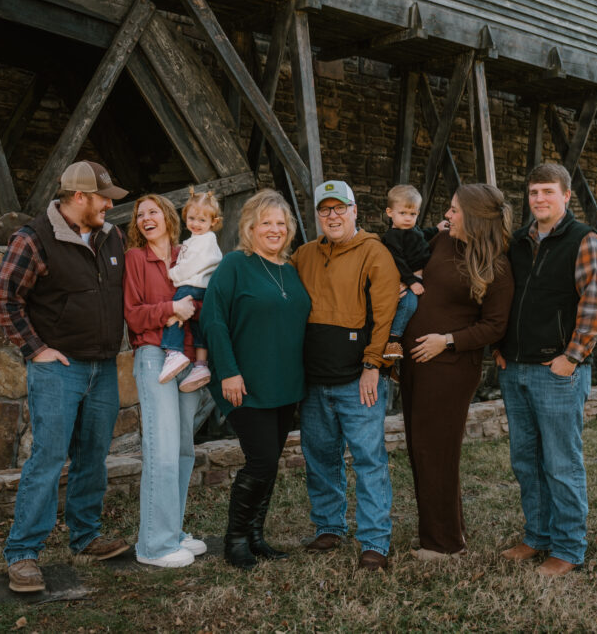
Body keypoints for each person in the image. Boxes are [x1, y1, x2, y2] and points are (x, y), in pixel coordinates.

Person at [0, 160, 131, 593]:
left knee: (93, 455)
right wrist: (37, 350)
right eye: (103, 197)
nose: (110, 204)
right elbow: (4, 300)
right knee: (49, 458)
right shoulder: (34, 240)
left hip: (104, 366)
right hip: (60, 369)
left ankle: (86, 536)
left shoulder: (112, 236)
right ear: (79, 198)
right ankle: (23, 554)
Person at [494, 162, 597, 577]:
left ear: (566, 195)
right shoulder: (519, 242)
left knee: (561, 463)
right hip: (515, 368)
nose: (539, 199)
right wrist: (499, 346)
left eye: (547, 191)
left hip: (557, 371)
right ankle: (537, 536)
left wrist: (572, 356)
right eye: (533, 193)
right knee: (525, 459)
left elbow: (595, 304)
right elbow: (504, 297)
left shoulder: (583, 239)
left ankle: (567, 548)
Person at [399, 184, 514, 560]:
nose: (447, 215)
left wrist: (446, 340)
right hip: (416, 364)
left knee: (437, 451)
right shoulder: (443, 242)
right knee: (421, 450)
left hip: (449, 368)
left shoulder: (495, 264)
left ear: (474, 216)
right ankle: (446, 532)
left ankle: (444, 545)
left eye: (453, 210)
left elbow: (495, 326)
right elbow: (410, 254)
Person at [199, 189, 311, 569]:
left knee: (271, 461)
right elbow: (212, 319)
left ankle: (256, 536)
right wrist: (228, 371)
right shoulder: (235, 265)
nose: (275, 229)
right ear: (250, 227)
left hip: (286, 384)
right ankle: (235, 541)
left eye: (281, 223)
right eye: (267, 223)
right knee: (260, 461)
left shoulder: (291, 269)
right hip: (245, 383)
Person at [292, 180, 400, 572]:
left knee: (369, 460)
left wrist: (374, 366)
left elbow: (386, 314)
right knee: (320, 457)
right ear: (318, 216)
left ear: (355, 211)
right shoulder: (303, 255)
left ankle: (374, 541)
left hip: (359, 380)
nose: (333, 216)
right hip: (313, 380)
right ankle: (329, 526)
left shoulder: (375, 253)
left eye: (340, 209)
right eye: (326, 210)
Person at [123, 193, 207, 568]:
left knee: (183, 450)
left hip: (190, 359)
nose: (145, 218)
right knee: (162, 449)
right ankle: (154, 546)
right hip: (155, 355)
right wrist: (171, 308)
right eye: (140, 215)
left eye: (153, 211)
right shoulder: (136, 259)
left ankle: (172, 531)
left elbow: (206, 300)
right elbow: (133, 316)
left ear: (168, 217)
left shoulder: (188, 254)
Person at [159, 189, 223, 392]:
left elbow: (190, 266)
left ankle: (173, 353)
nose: (195, 223)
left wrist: (172, 273)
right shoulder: (202, 240)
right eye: (192, 218)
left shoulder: (203, 241)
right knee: (197, 327)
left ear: (213, 222)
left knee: (175, 312)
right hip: (203, 289)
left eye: (202, 220)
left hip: (192, 286)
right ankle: (201, 365)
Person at [379, 184, 444, 361]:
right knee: (409, 305)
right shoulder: (393, 237)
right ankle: (393, 340)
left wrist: (437, 229)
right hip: (407, 278)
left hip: (420, 276)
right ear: (389, 212)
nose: (408, 218)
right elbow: (397, 262)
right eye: (403, 213)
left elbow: (421, 235)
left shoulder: (410, 229)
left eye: (413, 214)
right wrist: (412, 281)